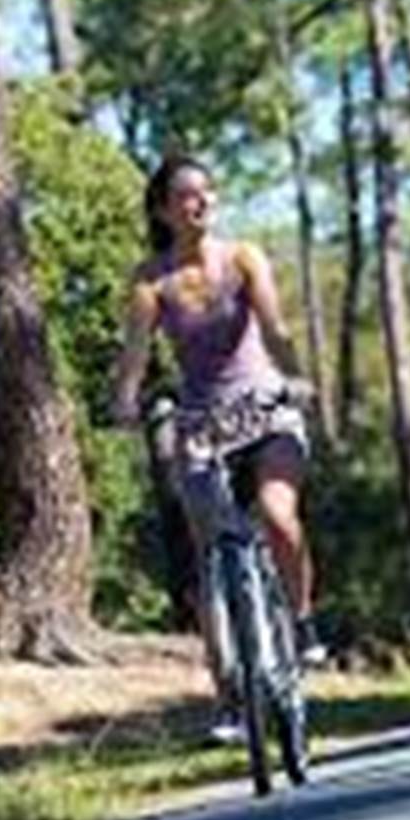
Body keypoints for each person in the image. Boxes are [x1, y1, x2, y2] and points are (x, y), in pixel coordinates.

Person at [111, 154, 325, 743]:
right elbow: (133, 358)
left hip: (264, 410)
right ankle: (230, 699)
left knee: (279, 515)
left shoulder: (243, 258)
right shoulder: (151, 280)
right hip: (201, 423)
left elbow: (276, 331)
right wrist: (127, 401)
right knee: (212, 556)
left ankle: (303, 624)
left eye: (206, 192)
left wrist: (297, 379)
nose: (200, 202)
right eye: (186, 195)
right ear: (163, 210)